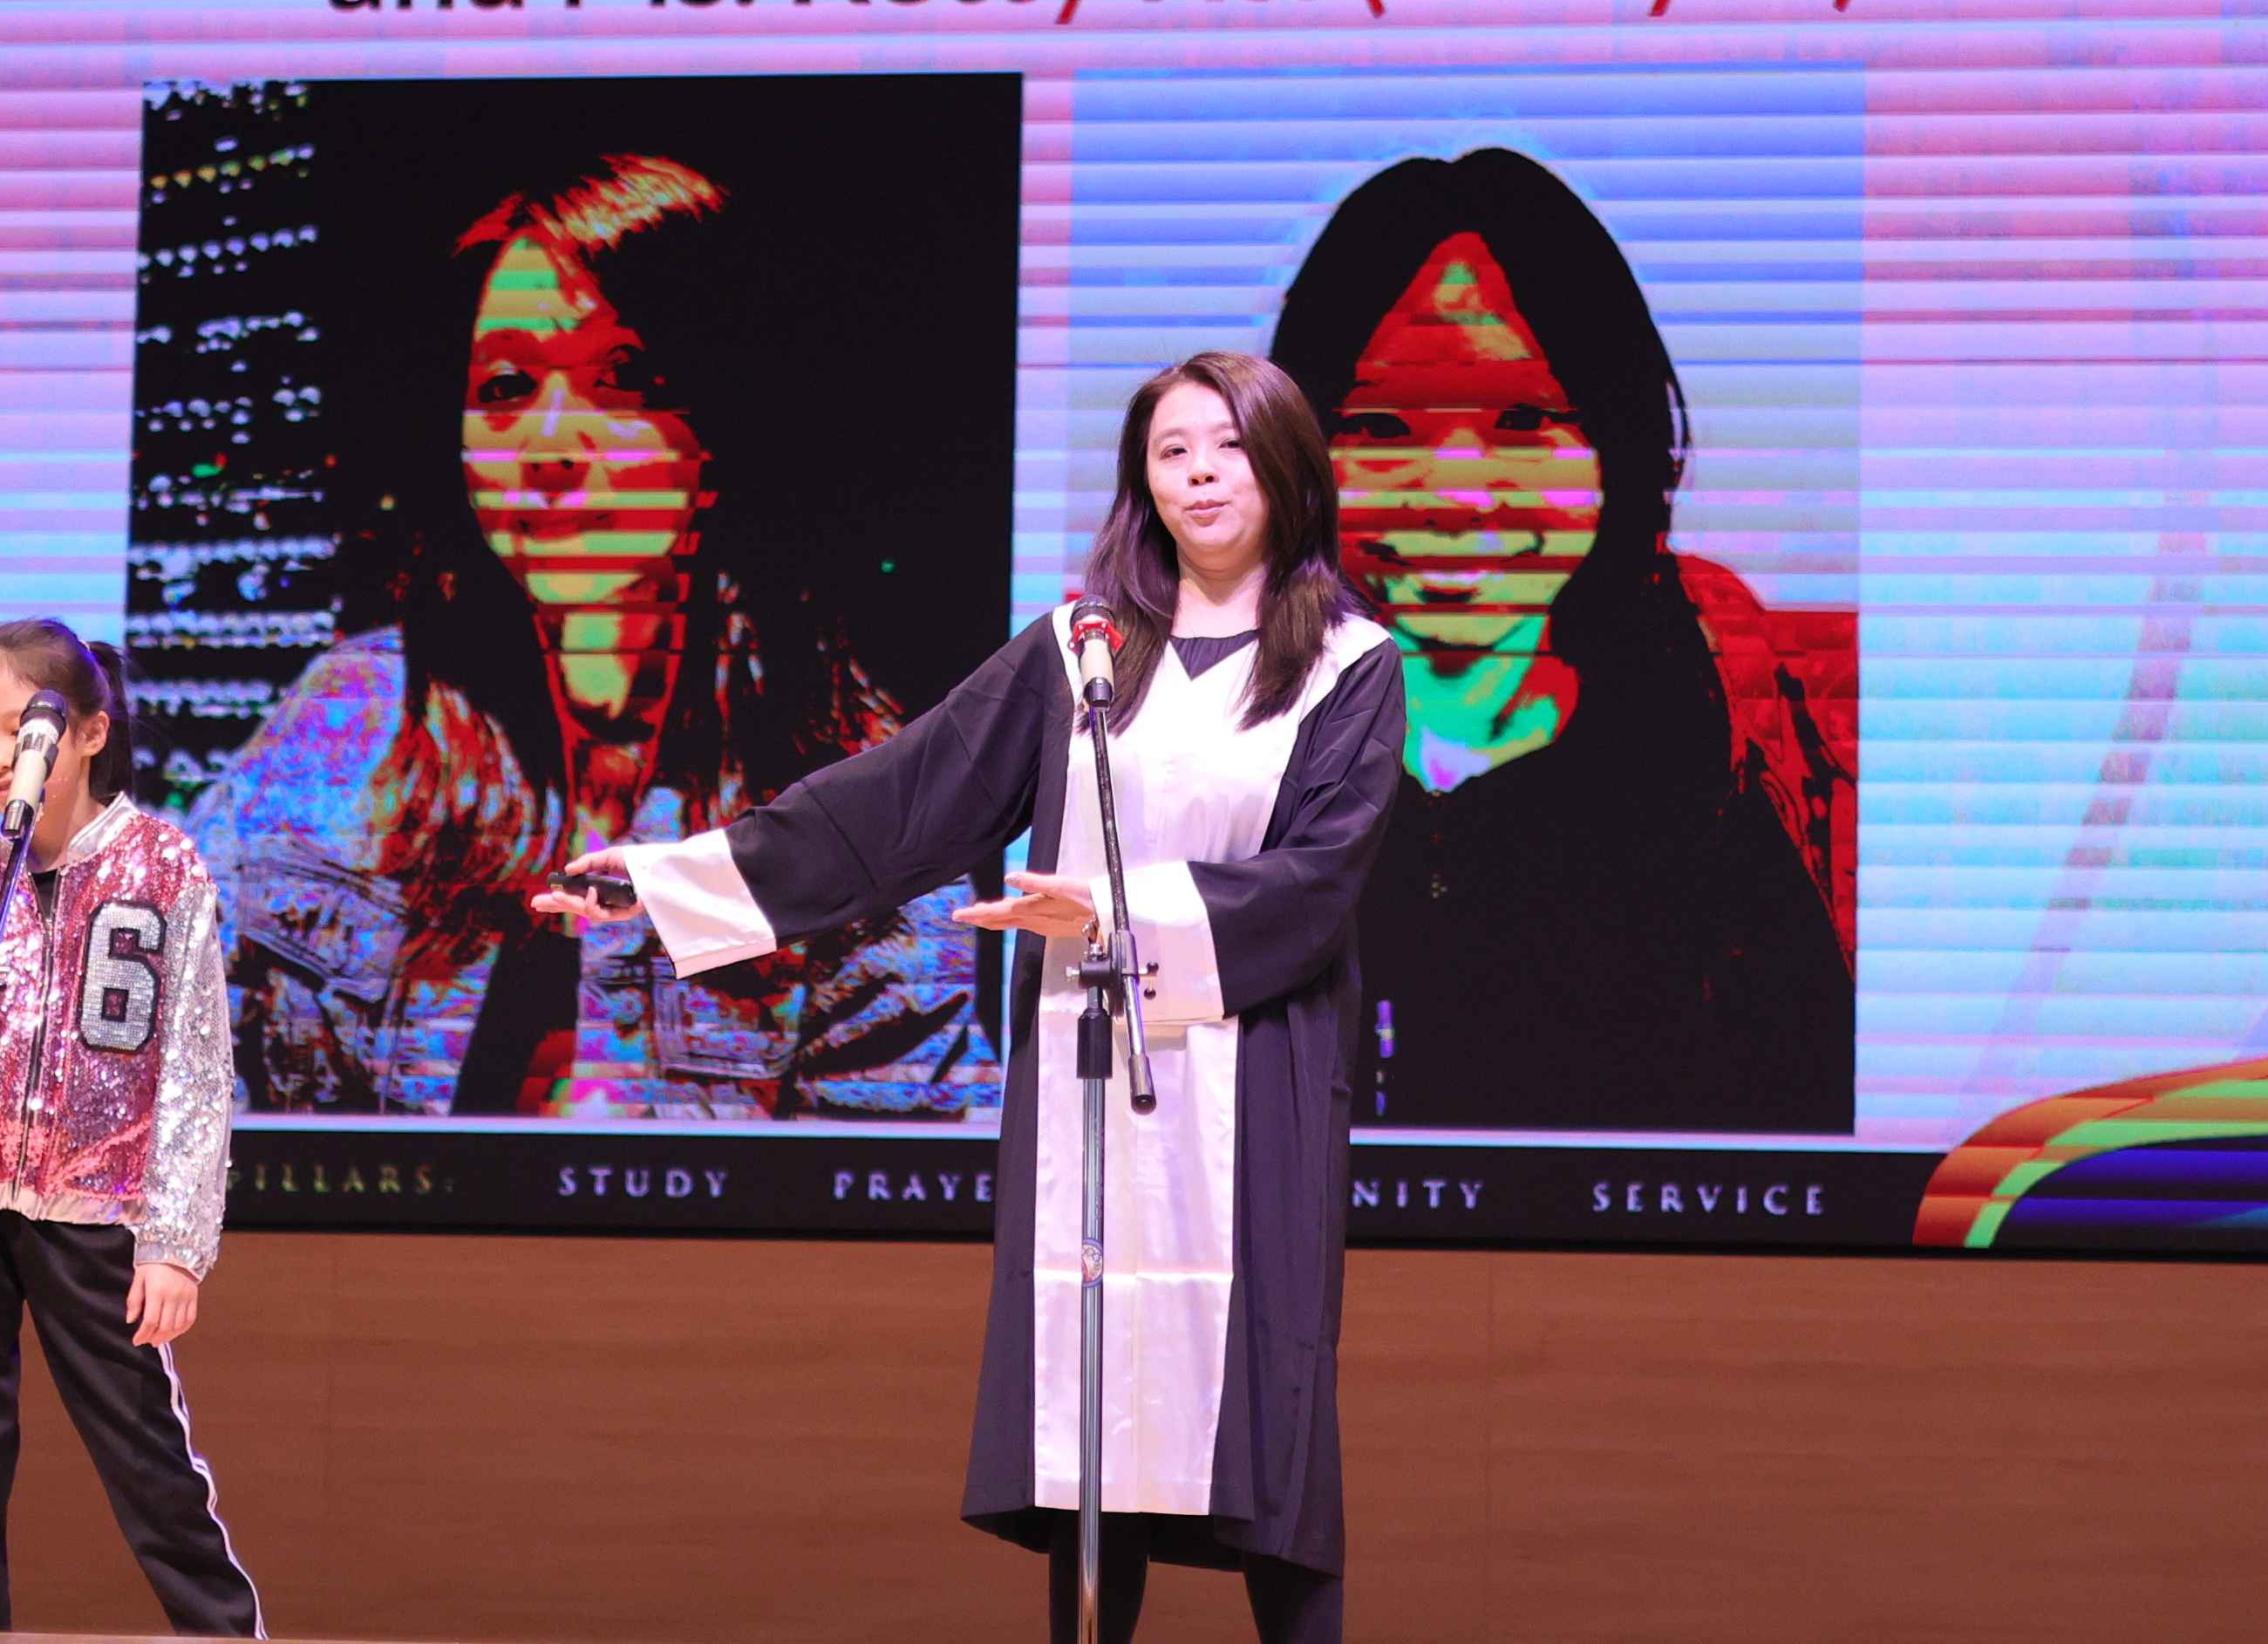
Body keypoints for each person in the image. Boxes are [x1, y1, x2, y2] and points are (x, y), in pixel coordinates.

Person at [540, 351, 1403, 1644]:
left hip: (1255, 1075)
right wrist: (670, 884)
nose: (1201, 475)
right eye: (1171, 453)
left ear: (1286, 464)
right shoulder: (1083, 648)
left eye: (1228, 446)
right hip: (1085, 1074)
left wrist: (1109, 913)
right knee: (1094, 1417)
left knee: (1270, 1421)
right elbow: (901, 801)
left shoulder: (1350, 664)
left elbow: (1316, 882)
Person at [189, 153, 990, 1119]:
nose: (552, 446)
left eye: (625, 380)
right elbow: (178, 1051)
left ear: (715, 426)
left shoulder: (856, 782)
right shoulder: (346, 719)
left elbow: (890, 1164)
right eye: (506, 387)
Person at [1268, 150, 1855, 1132]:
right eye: (1381, 426)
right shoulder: (1211, 723)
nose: (1457, 497)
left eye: (1523, 420)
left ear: (1617, 440)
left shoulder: (1743, 743)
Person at [0, 618, 262, 1635]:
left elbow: (197, 1065)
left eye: (19, 733)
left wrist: (174, 1243)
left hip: (95, 1210)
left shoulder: (164, 867)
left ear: (91, 733)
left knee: (145, 1459)